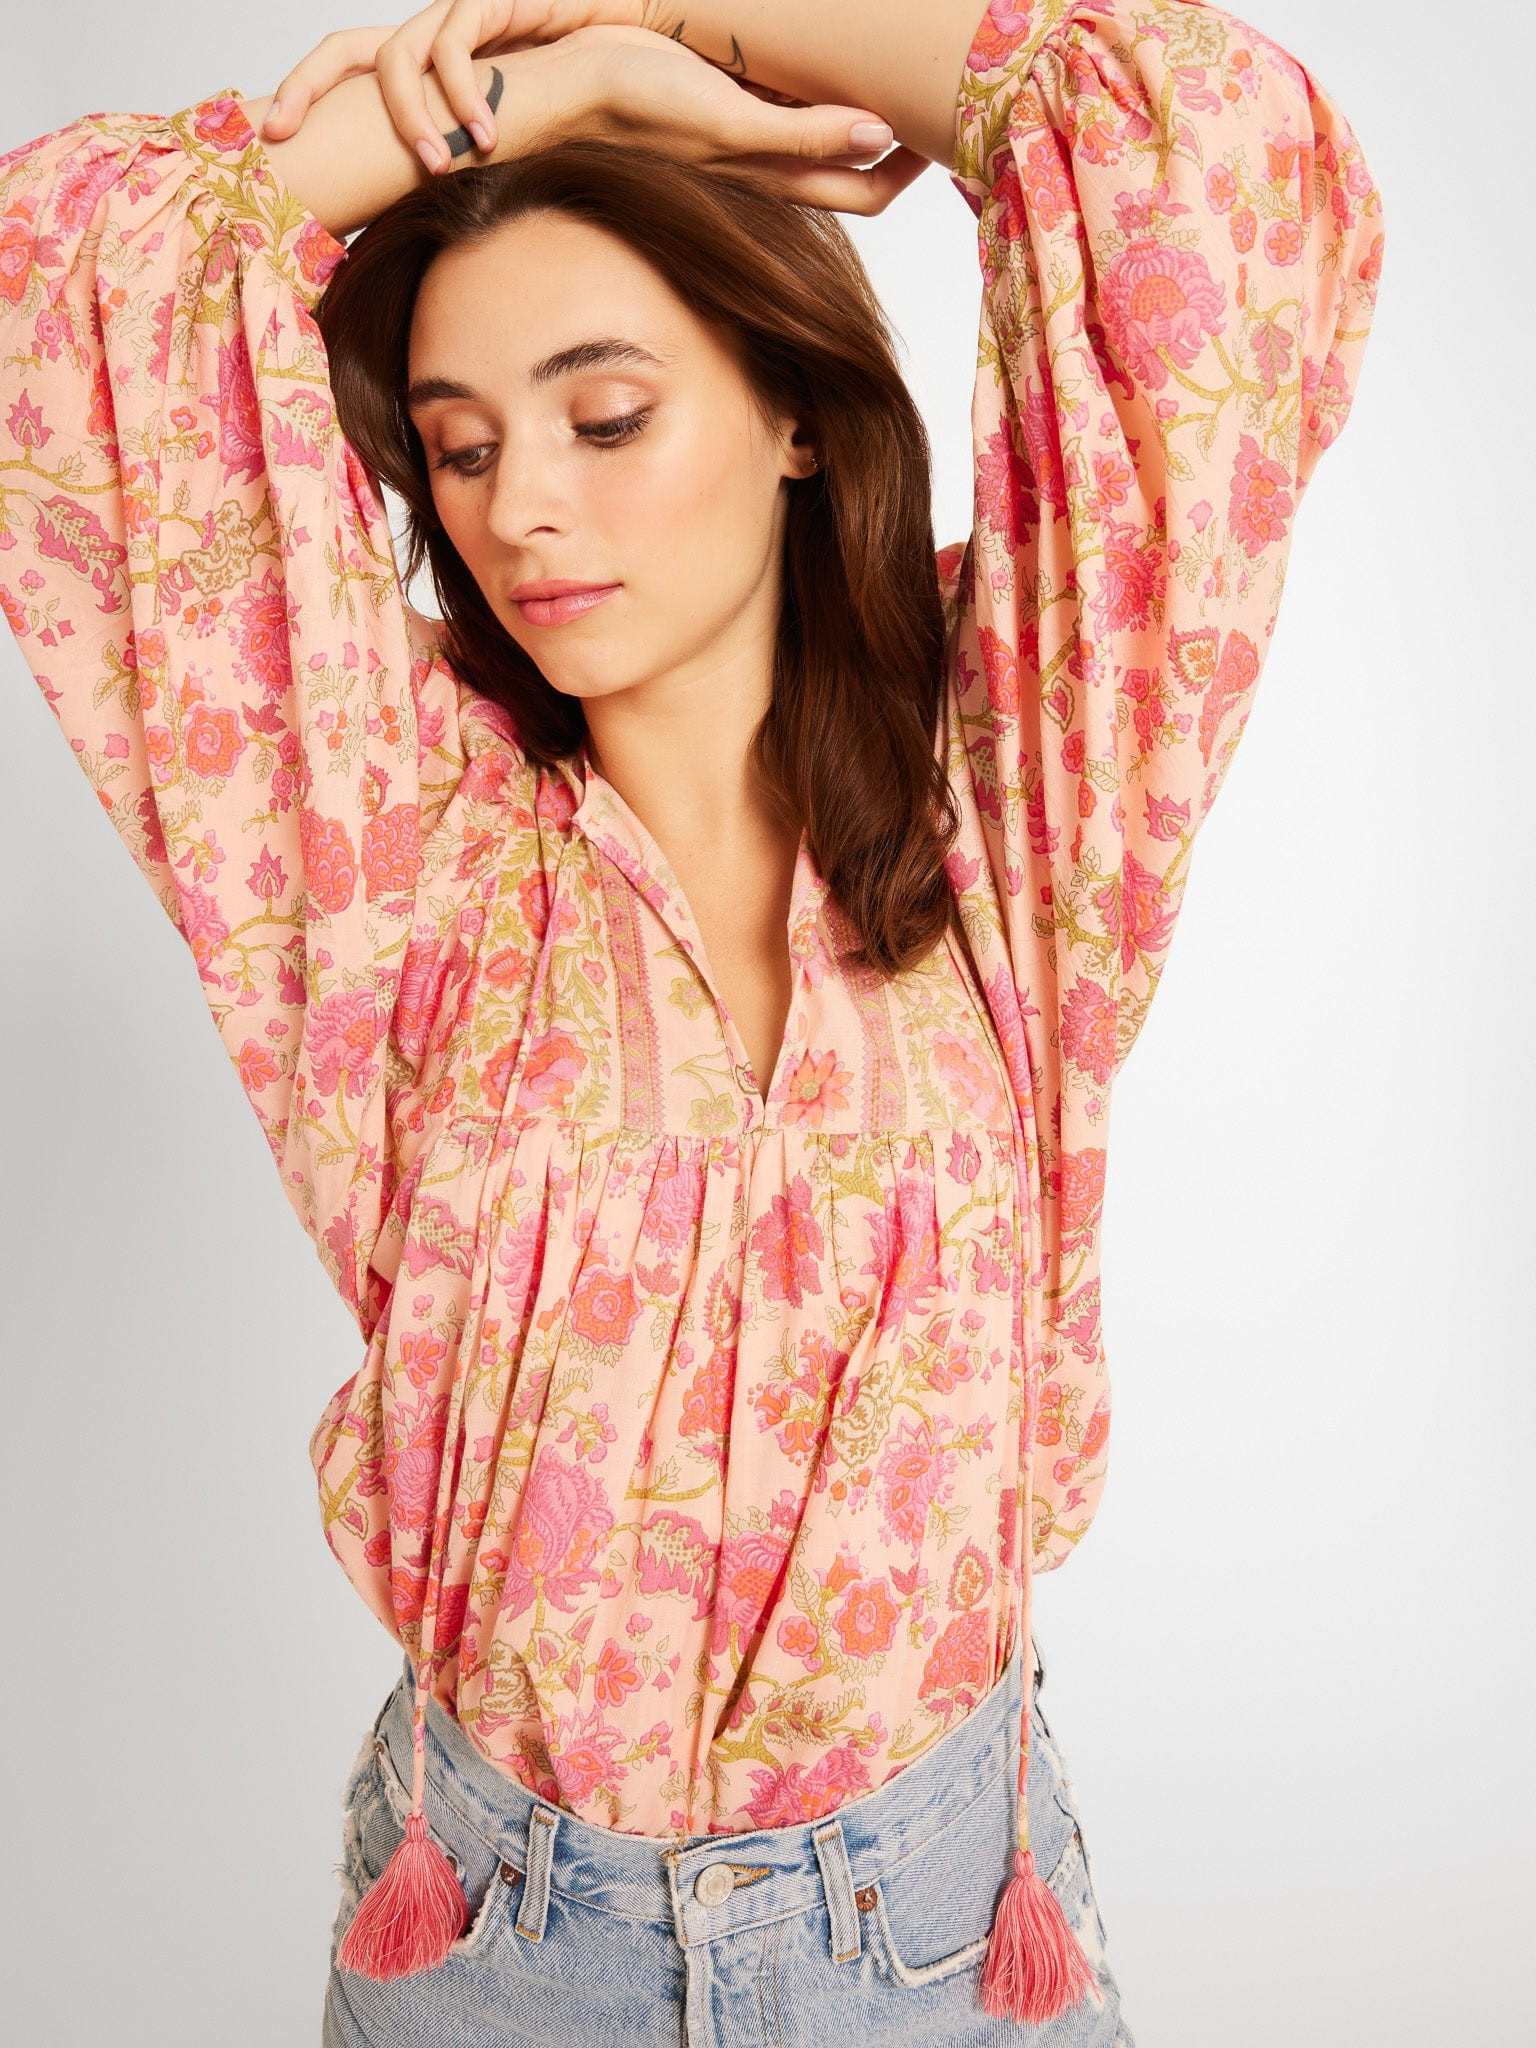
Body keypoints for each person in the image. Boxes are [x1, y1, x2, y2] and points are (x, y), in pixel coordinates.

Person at [0, 1, 1384, 2040]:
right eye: (462, 445)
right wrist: (535, 101)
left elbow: (1219, 158)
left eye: (607, 413)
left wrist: (685, 28)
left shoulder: (1016, 806)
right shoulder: (390, 860)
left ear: (795, 408)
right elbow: (53, 299)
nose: (519, 511)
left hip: (944, 1934)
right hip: (490, 1944)